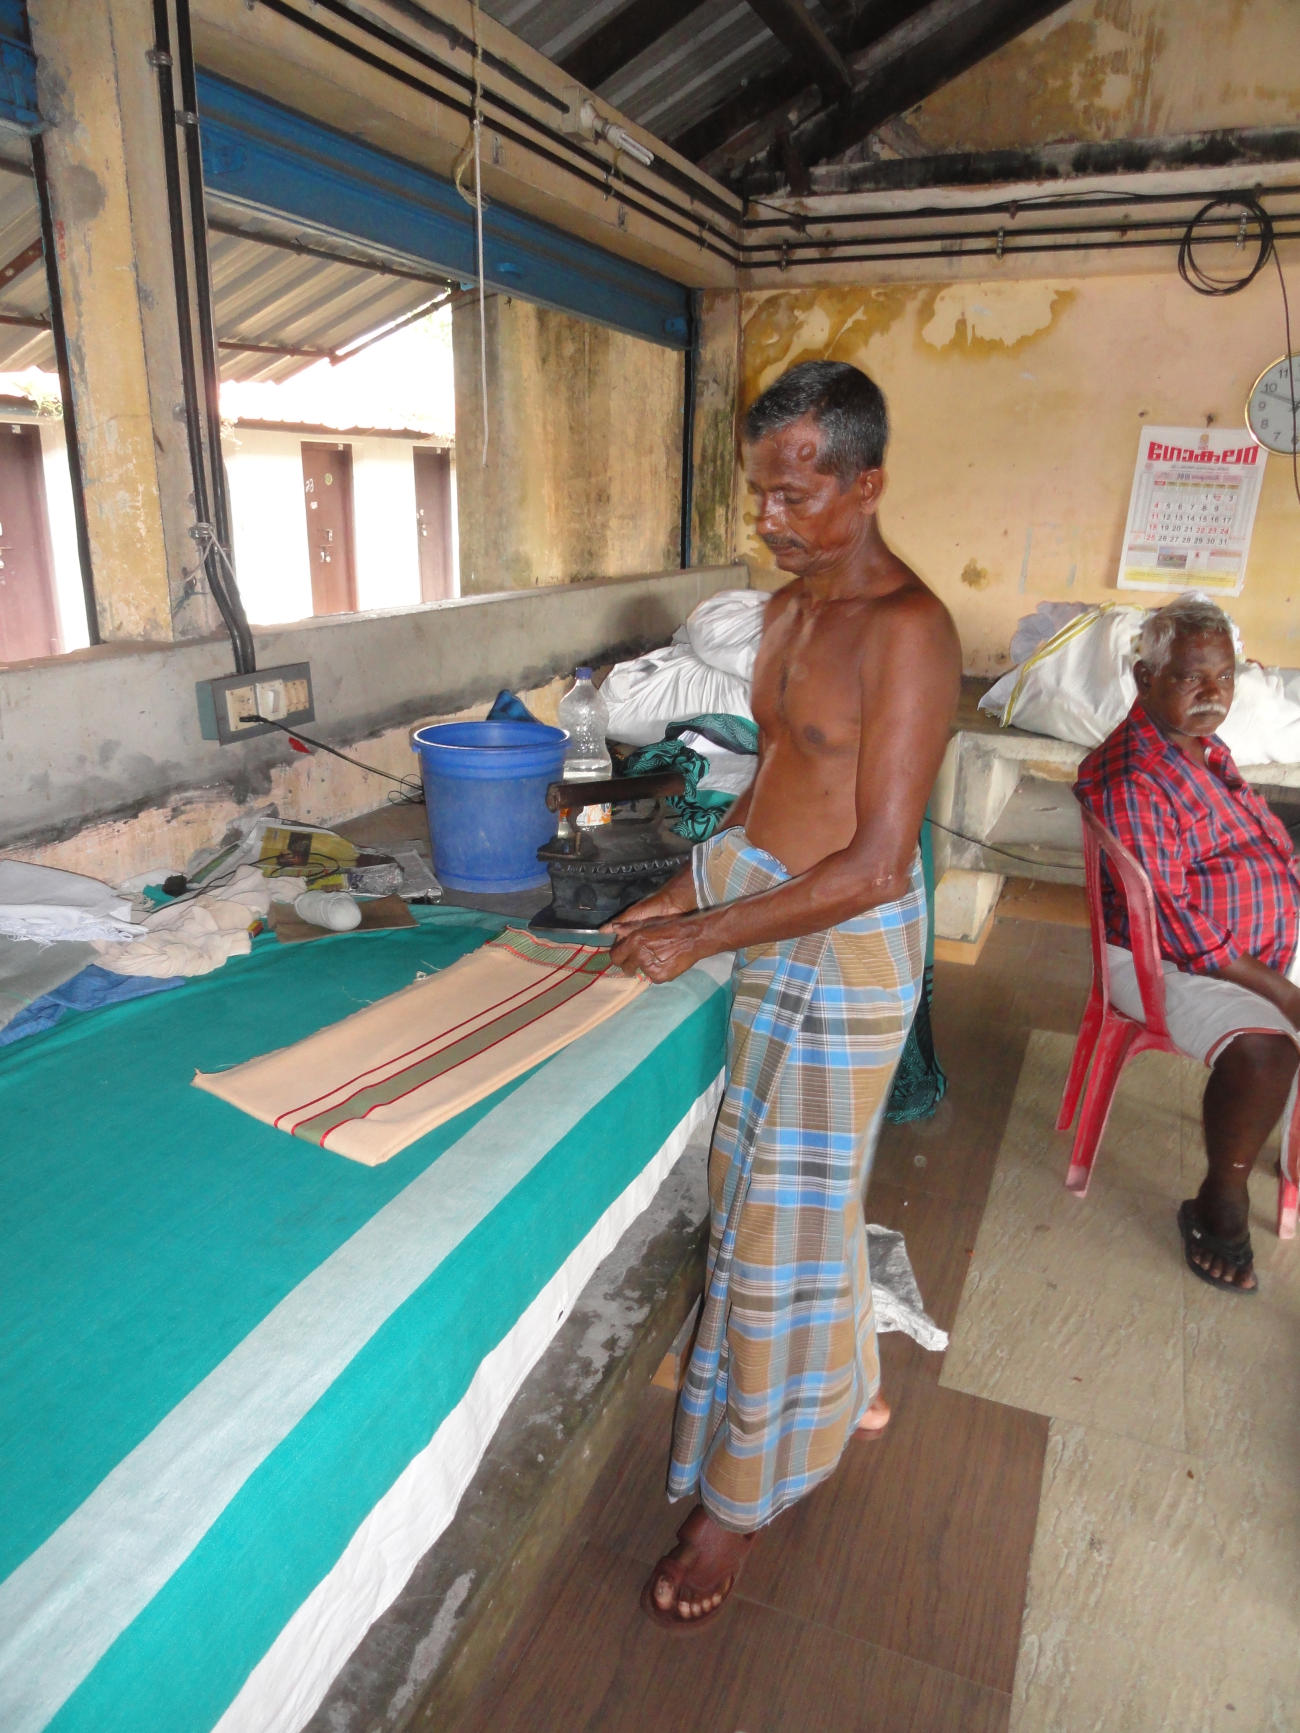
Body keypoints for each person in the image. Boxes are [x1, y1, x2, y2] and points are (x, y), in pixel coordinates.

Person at [606, 360, 961, 1629]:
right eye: (759, 493)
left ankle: (742, 1500)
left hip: (847, 946)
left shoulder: (909, 631)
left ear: (866, 484)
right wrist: (682, 886)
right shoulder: (789, 610)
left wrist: (701, 933)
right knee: (790, 1200)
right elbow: (770, 791)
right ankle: (842, 1378)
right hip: (770, 902)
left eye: (794, 494)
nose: (768, 519)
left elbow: (873, 864)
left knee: (766, 1229)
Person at [1075, 594, 1300, 1295]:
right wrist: (1285, 991)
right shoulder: (1135, 775)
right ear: (1145, 678)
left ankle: (1291, 1154)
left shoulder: (1201, 745)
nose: (1213, 692)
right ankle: (1220, 1201)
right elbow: (1176, 922)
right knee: (1267, 1048)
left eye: (1224, 676)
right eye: (1191, 676)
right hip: (1159, 961)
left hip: (1256, 944)